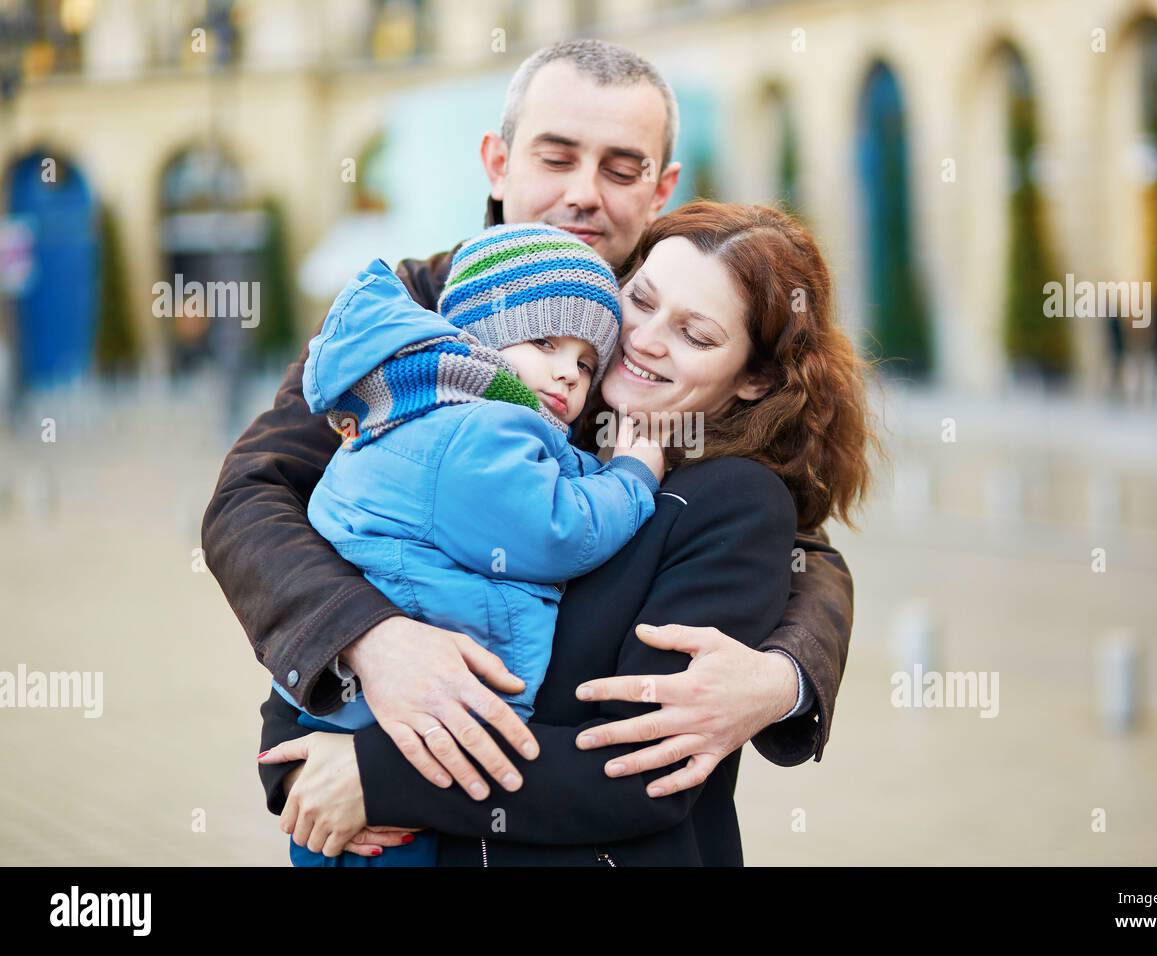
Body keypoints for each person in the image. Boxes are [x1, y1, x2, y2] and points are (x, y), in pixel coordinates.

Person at [203, 39, 855, 829]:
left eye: (621, 168)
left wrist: (784, 676)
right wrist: (367, 644)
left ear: (661, 189)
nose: (584, 194)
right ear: (497, 162)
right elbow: (255, 501)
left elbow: (786, 534)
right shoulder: (410, 320)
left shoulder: (669, 339)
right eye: (557, 157)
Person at [258, 201, 878, 865]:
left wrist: (375, 778)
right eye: (641, 299)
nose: (644, 339)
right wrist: (296, 764)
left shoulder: (733, 502)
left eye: (696, 335)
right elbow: (346, 568)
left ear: (754, 379)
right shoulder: (521, 419)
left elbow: (642, 773)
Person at [277, 224, 664, 865]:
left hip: (377, 728)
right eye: (545, 341)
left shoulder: (439, 409)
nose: (568, 374)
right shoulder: (476, 431)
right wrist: (634, 475)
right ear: (481, 335)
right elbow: (556, 530)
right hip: (393, 739)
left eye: (586, 362)